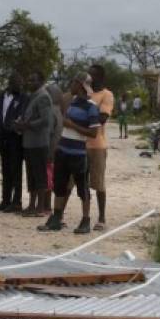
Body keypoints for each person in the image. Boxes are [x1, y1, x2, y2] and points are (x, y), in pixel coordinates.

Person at [38, 73, 100, 234]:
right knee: (59, 186)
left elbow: (94, 133)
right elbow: (61, 102)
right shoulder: (72, 102)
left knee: (82, 189)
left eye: (73, 82)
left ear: (79, 85)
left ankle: (85, 221)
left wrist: (72, 125)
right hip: (63, 149)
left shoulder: (91, 107)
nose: (70, 85)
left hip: (78, 153)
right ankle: (56, 218)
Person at [15, 71, 53, 217]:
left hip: (39, 142)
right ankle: (31, 205)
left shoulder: (43, 96)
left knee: (40, 175)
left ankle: (40, 207)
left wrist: (27, 125)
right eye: (28, 80)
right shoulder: (32, 96)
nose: (29, 83)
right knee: (31, 175)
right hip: (29, 142)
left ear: (41, 81)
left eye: (33, 80)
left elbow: (45, 120)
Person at [86, 64, 114, 231]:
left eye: (93, 75)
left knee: (98, 183)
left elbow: (102, 118)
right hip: (81, 144)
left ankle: (102, 217)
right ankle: (85, 216)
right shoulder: (86, 94)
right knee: (80, 182)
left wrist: (84, 115)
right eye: (88, 74)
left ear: (100, 77)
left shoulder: (106, 95)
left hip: (97, 145)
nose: (89, 78)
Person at [0, 73, 27, 212]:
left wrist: (11, 128)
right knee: (5, 169)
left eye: (21, 84)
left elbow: (21, 115)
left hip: (15, 138)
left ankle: (16, 201)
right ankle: (5, 200)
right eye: (18, 83)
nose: (20, 86)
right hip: (2, 137)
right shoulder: (0, 96)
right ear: (11, 83)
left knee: (16, 170)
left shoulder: (23, 98)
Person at [45, 83, 64, 213]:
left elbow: (48, 133)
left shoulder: (51, 111)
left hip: (49, 150)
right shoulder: (59, 111)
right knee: (51, 178)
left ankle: (46, 205)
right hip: (57, 149)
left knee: (47, 178)